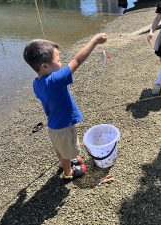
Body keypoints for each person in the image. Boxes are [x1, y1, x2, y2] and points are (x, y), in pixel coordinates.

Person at [23, 33, 107, 182]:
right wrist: (94, 41)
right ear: (45, 66)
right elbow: (77, 60)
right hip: (64, 129)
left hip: (53, 127)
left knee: (61, 151)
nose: (61, 63)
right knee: (69, 152)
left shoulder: (36, 83)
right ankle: (68, 173)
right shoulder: (56, 80)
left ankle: (65, 164)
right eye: (59, 60)